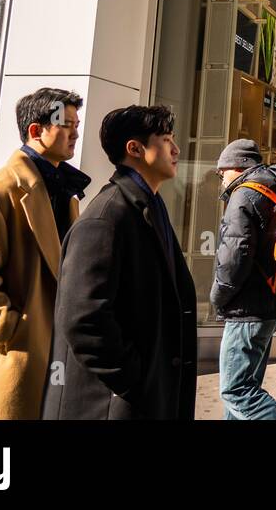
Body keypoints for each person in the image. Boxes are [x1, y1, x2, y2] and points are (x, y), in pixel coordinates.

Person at [44, 105, 196, 420]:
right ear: (135, 148)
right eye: (166, 139)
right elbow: (83, 318)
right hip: (112, 406)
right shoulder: (106, 217)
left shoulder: (149, 207)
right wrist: (135, 379)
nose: (176, 149)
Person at [0, 89, 89, 419]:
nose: (75, 132)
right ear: (36, 131)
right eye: (66, 124)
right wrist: (12, 331)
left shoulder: (63, 191)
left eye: (76, 123)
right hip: (11, 355)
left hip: (50, 351)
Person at [211, 138, 276, 420]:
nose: (220, 178)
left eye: (221, 171)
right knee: (245, 390)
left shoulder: (244, 196)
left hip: (247, 308)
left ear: (237, 166)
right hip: (272, 301)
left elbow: (232, 259)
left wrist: (217, 297)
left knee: (237, 391)